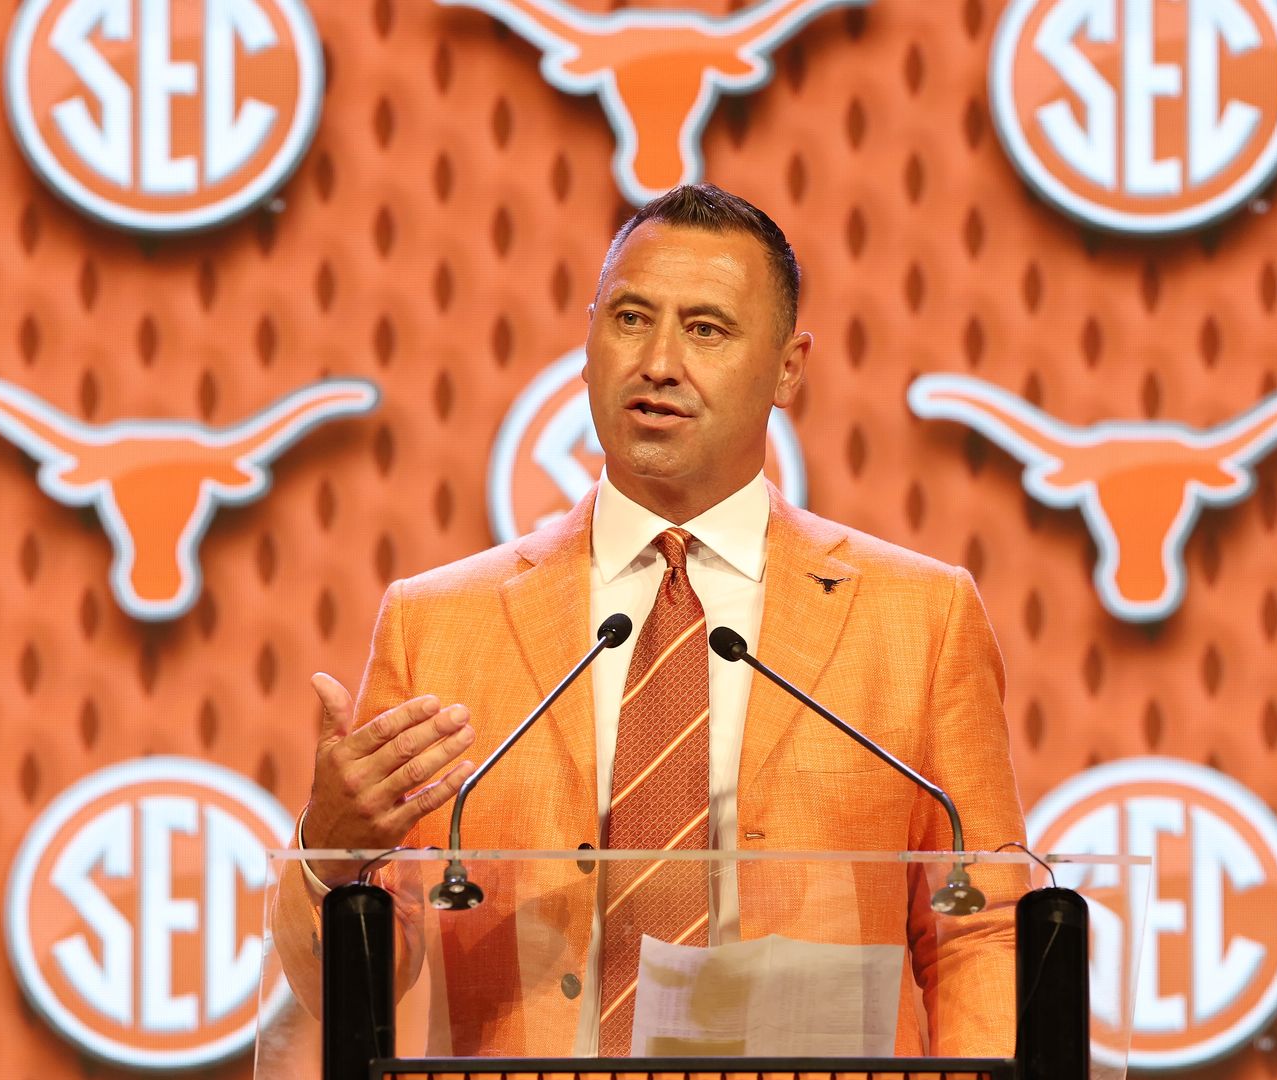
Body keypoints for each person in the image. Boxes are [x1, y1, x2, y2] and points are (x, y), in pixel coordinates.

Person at [277, 183, 1026, 1057]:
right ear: (589, 340)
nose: (659, 362)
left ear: (789, 367)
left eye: (706, 329)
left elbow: (982, 933)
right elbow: (358, 983)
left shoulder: (921, 618)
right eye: (631, 319)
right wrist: (326, 857)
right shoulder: (435, 625)